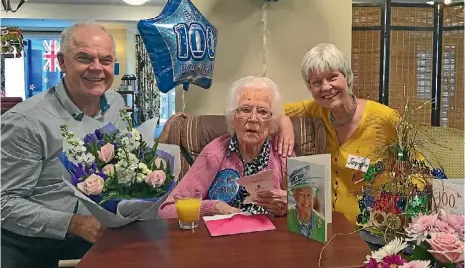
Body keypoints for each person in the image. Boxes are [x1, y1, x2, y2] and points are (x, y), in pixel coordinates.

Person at [0, 22, 174, 268]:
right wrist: (74, 223)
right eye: (84, 58)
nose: (97, 68)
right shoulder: (26, 122)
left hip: (99, 235)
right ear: (62, 62)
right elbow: (4, 203)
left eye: (105, 60)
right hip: (31, 244)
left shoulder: (115, 104)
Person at [276, 43, 398, 225]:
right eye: (316, 82)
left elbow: (417, 171)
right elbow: (272, 110)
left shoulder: (385, 119)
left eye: (332, 77)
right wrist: (283, 122)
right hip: (324, 226)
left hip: (372, 228)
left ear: (347, 78)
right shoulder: (315, 110)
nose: (325, 87)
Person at [158, 76, 289, 218]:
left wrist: (289, 205)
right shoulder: (214, 153)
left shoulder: (282, 154)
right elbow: (167, 211)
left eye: (263, 112)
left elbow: (307, 207)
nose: (253, 118)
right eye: (245, 109)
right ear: (233, 119)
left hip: (269, 238)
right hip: (222, 237)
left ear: (272, 124)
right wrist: (213, 208)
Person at [287, 165, 325, 241]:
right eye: (301, 195)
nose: (306, 201)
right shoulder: (287, 217)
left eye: (309, 195)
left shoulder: (322, 222)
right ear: (295, 196)